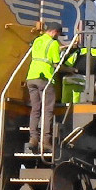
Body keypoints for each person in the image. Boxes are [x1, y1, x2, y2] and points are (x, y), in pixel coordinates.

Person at [25, 21, 64, 153]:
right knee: (47, 110)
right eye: (58, 34)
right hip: (45, 78)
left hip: (31, 77)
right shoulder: (53, 43)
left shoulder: (37, 41)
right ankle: (46, 141)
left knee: (35, 109)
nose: (57, 36)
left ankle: (33, 139)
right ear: (54, 32)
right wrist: (71, 69)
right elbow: (56, 63)